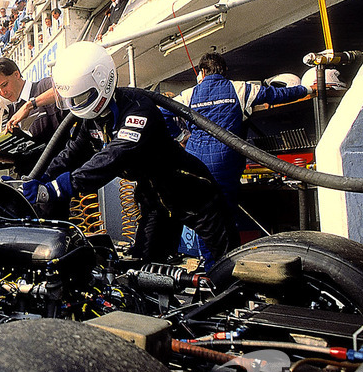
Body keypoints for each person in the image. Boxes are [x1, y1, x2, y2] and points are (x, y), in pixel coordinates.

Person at [21, 41, 238, 265]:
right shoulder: (93, 120)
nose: (75, 105)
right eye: (72, 100)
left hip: (192, 191)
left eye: (80, 98)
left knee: (227, 267)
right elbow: (72, 153)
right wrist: (39, 177)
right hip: (154, 197)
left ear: (102, 82)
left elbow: (114, 157)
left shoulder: (138, 109)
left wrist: (58, 188)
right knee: (145, 267)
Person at [162, 52, 312, 222]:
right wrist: (308, 89)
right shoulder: (241, 88)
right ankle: (228, 247)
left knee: (202, 215)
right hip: (226, 161)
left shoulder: (188, 94)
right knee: (225, 214)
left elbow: (163, 112)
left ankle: (208, 246)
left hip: (195, 162)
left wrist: (182, 136)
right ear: (224, 70)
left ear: (202, 72)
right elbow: (277, 95)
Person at [0, 57, 66, 176]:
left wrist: (30, 105)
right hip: (30, 179)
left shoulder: (42, 87)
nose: (3, 92)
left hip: (59, 173)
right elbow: (23, 154)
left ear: (17, 74)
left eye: (4, 85)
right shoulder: (12, 111)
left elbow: (66, 89)